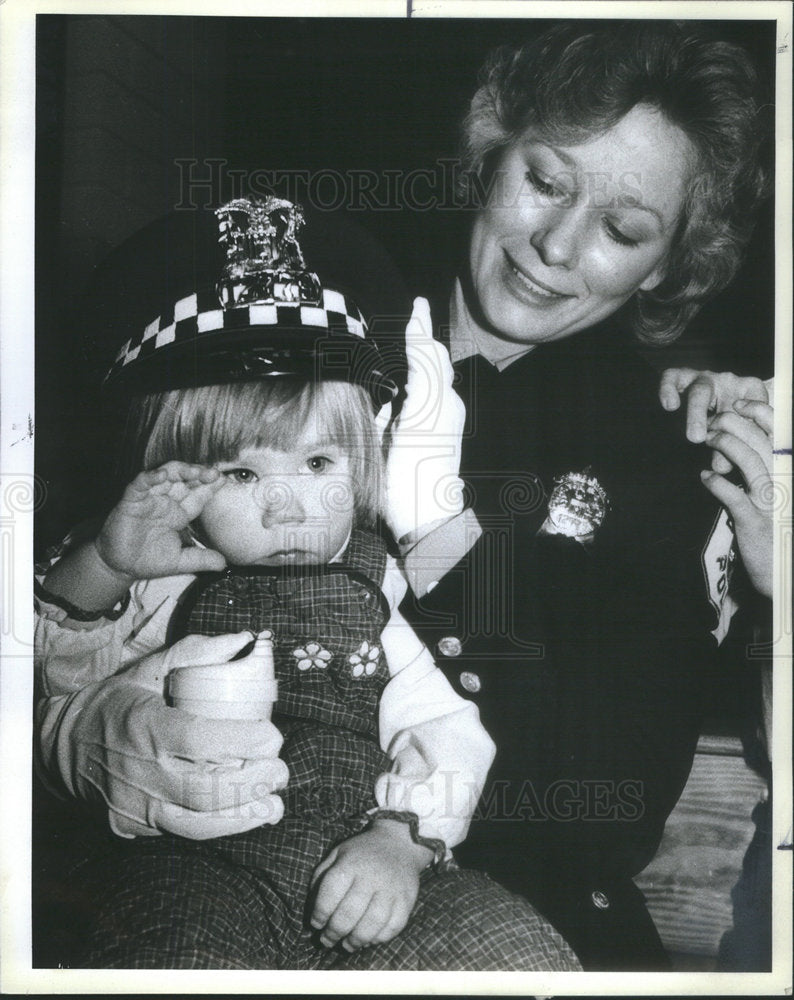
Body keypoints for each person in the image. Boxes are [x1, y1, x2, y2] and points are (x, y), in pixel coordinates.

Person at [33, 198, 580, 971]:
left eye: (320, 464)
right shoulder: (159, 575)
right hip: (187, 870)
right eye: (242, 471)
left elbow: (446, 728)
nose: (288, 506)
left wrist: (402, 840)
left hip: (363, 861)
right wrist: (106, 565)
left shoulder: (374, 587)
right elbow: (58, 689)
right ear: (167, 476)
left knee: (513, 952)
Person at [388, 20, 773, 970]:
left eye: (623, 228)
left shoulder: (663, 460)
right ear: (492, 155)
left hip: (511, 918)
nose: (556, 245)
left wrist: (443, 545)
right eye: (547, 182)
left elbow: (597, 810)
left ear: (669, 263)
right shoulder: (326, 325)